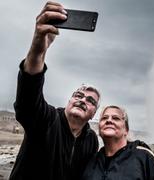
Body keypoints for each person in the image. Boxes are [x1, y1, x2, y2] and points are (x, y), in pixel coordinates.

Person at [9, 1, 100, 180]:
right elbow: (28, 98)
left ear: (94, 113)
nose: (83, 100)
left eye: (91, 100)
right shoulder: (47, 119)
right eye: (78, 95)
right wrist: (38, 50)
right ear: (69, 101)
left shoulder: (91, 140)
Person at [81, 105, 154, 180]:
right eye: (104, 118)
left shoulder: (145, 157)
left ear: (126, 130)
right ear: (99, 129)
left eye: (116, 118)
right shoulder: (91, 161)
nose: (109, 120)